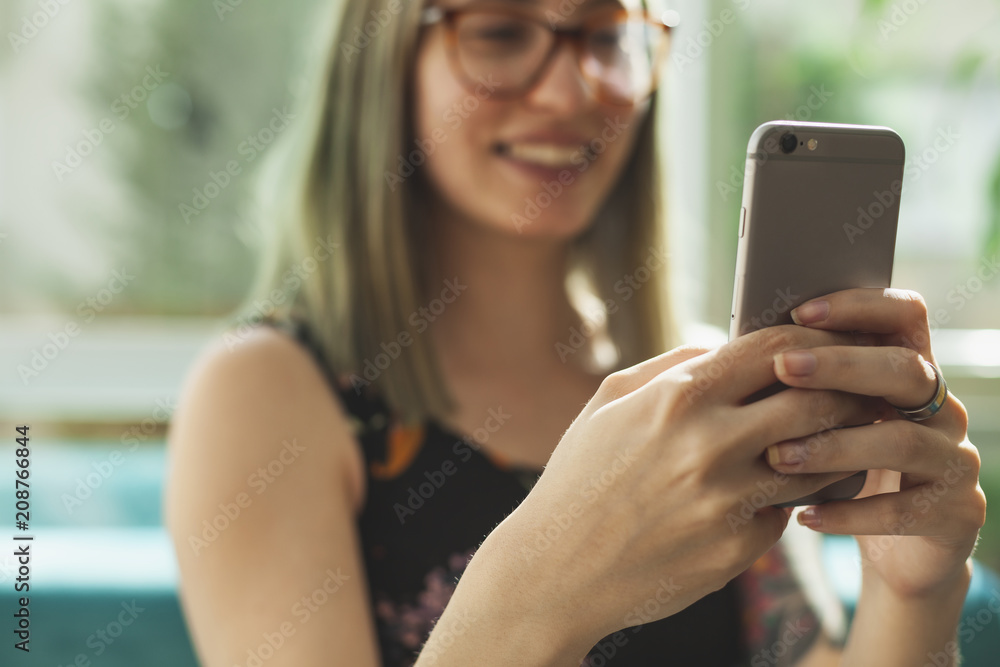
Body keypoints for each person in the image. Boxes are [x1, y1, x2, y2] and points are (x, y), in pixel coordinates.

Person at [163, 0, 986, 665]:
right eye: (498, 31)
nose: (570, 93)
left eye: (606, 34)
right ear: (380, 60)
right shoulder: (268, 392)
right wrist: (547, 585)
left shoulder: (698, 381)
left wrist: (914, 592)